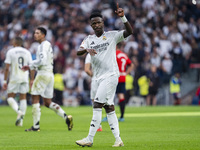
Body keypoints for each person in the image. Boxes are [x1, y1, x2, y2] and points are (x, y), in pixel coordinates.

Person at [75, 3, 133, 147]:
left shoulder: (112, 36)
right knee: (109, 108)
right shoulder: (89, 39)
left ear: (103, 23)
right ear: (91, 25)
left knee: (97, 104)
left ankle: (89, 138)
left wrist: (123, 18)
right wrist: (87, 50)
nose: (96, 25)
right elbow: (78, 51)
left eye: (98, 22)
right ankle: (118, 140)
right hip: (98, 77)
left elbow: (129, 32)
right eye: (93, 23)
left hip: (111, 76)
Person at [22, 27, 73, 131]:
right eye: (34, 33)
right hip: (50, 74)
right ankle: (66, 117)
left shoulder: (42, 46)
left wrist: (30, 64)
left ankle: (36, 126)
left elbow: (42, 60)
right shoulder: (48, 44)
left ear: (43, 35)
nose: (35, 35)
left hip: (43, 74)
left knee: (35, 98)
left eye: (37, 33)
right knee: (47, 102)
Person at [3, 37, 32, 127]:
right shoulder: (27, 52)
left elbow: (7, 68)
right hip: (24, 77)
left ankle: (19, 111)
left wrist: (5, 80)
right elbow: (31, 66)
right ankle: (20, 122)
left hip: (14, 78)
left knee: (10, 97)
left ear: (15, 43)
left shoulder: (10, 52)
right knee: (23, 98)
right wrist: (31, 79)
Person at [102, 47, 134, 122]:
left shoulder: (114, 54)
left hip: (114, 77)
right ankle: (122, 116)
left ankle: (108, 116)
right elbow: (131, 65)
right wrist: (126, 73)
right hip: (122, 77)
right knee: (121, 96)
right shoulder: (124, 55)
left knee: (109, 96)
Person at [85, 53, 102, 131]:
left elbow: (87, 70)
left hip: (96, 79)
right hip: (106, 79)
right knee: (108, 103)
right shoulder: (104, 51)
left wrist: (93, 75)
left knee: (95, 102)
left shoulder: (90, 55)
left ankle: (98, 125)